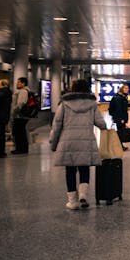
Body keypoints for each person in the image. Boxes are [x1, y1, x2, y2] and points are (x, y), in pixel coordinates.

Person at [49, 79, 106, 210]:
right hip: (86, 141)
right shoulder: (92, 104)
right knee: (84, 169)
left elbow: (56, 125)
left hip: (68, 142)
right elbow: (101, 124)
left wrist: (53, 143)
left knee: (70, 171)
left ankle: (72, 202)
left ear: (73, 88)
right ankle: (83, 195)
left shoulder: (64, 104)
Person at [10, 77, 30, 155]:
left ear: (23, 83)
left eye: (18, 82)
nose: (17, 84)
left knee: (19, 132)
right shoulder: (24, 91)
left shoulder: (23, 91)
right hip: (21, 115)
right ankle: (21, 148)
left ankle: (21, 149)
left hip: (20, 116)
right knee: (20, 132)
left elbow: (21, 103)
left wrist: (14, 111)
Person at [109, 84, 130, 151]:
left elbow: (123, 106)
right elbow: (119, 109)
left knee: (120, 132)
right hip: (119, 118)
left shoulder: (122, 97)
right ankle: (120, 146)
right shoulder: (119, 97)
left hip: (120, 117)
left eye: (127, 88)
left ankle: (120, 146)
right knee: (120, 132)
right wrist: (121, 119)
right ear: (122, 89)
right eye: (125, 88)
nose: (127, 89)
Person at [0, 79, 11, 158]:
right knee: (1, 135)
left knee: (0, 135)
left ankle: (0, 152)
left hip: (0, 117)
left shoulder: (2, 93)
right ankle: (1, 152)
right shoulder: (8, 93)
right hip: (4, 117)